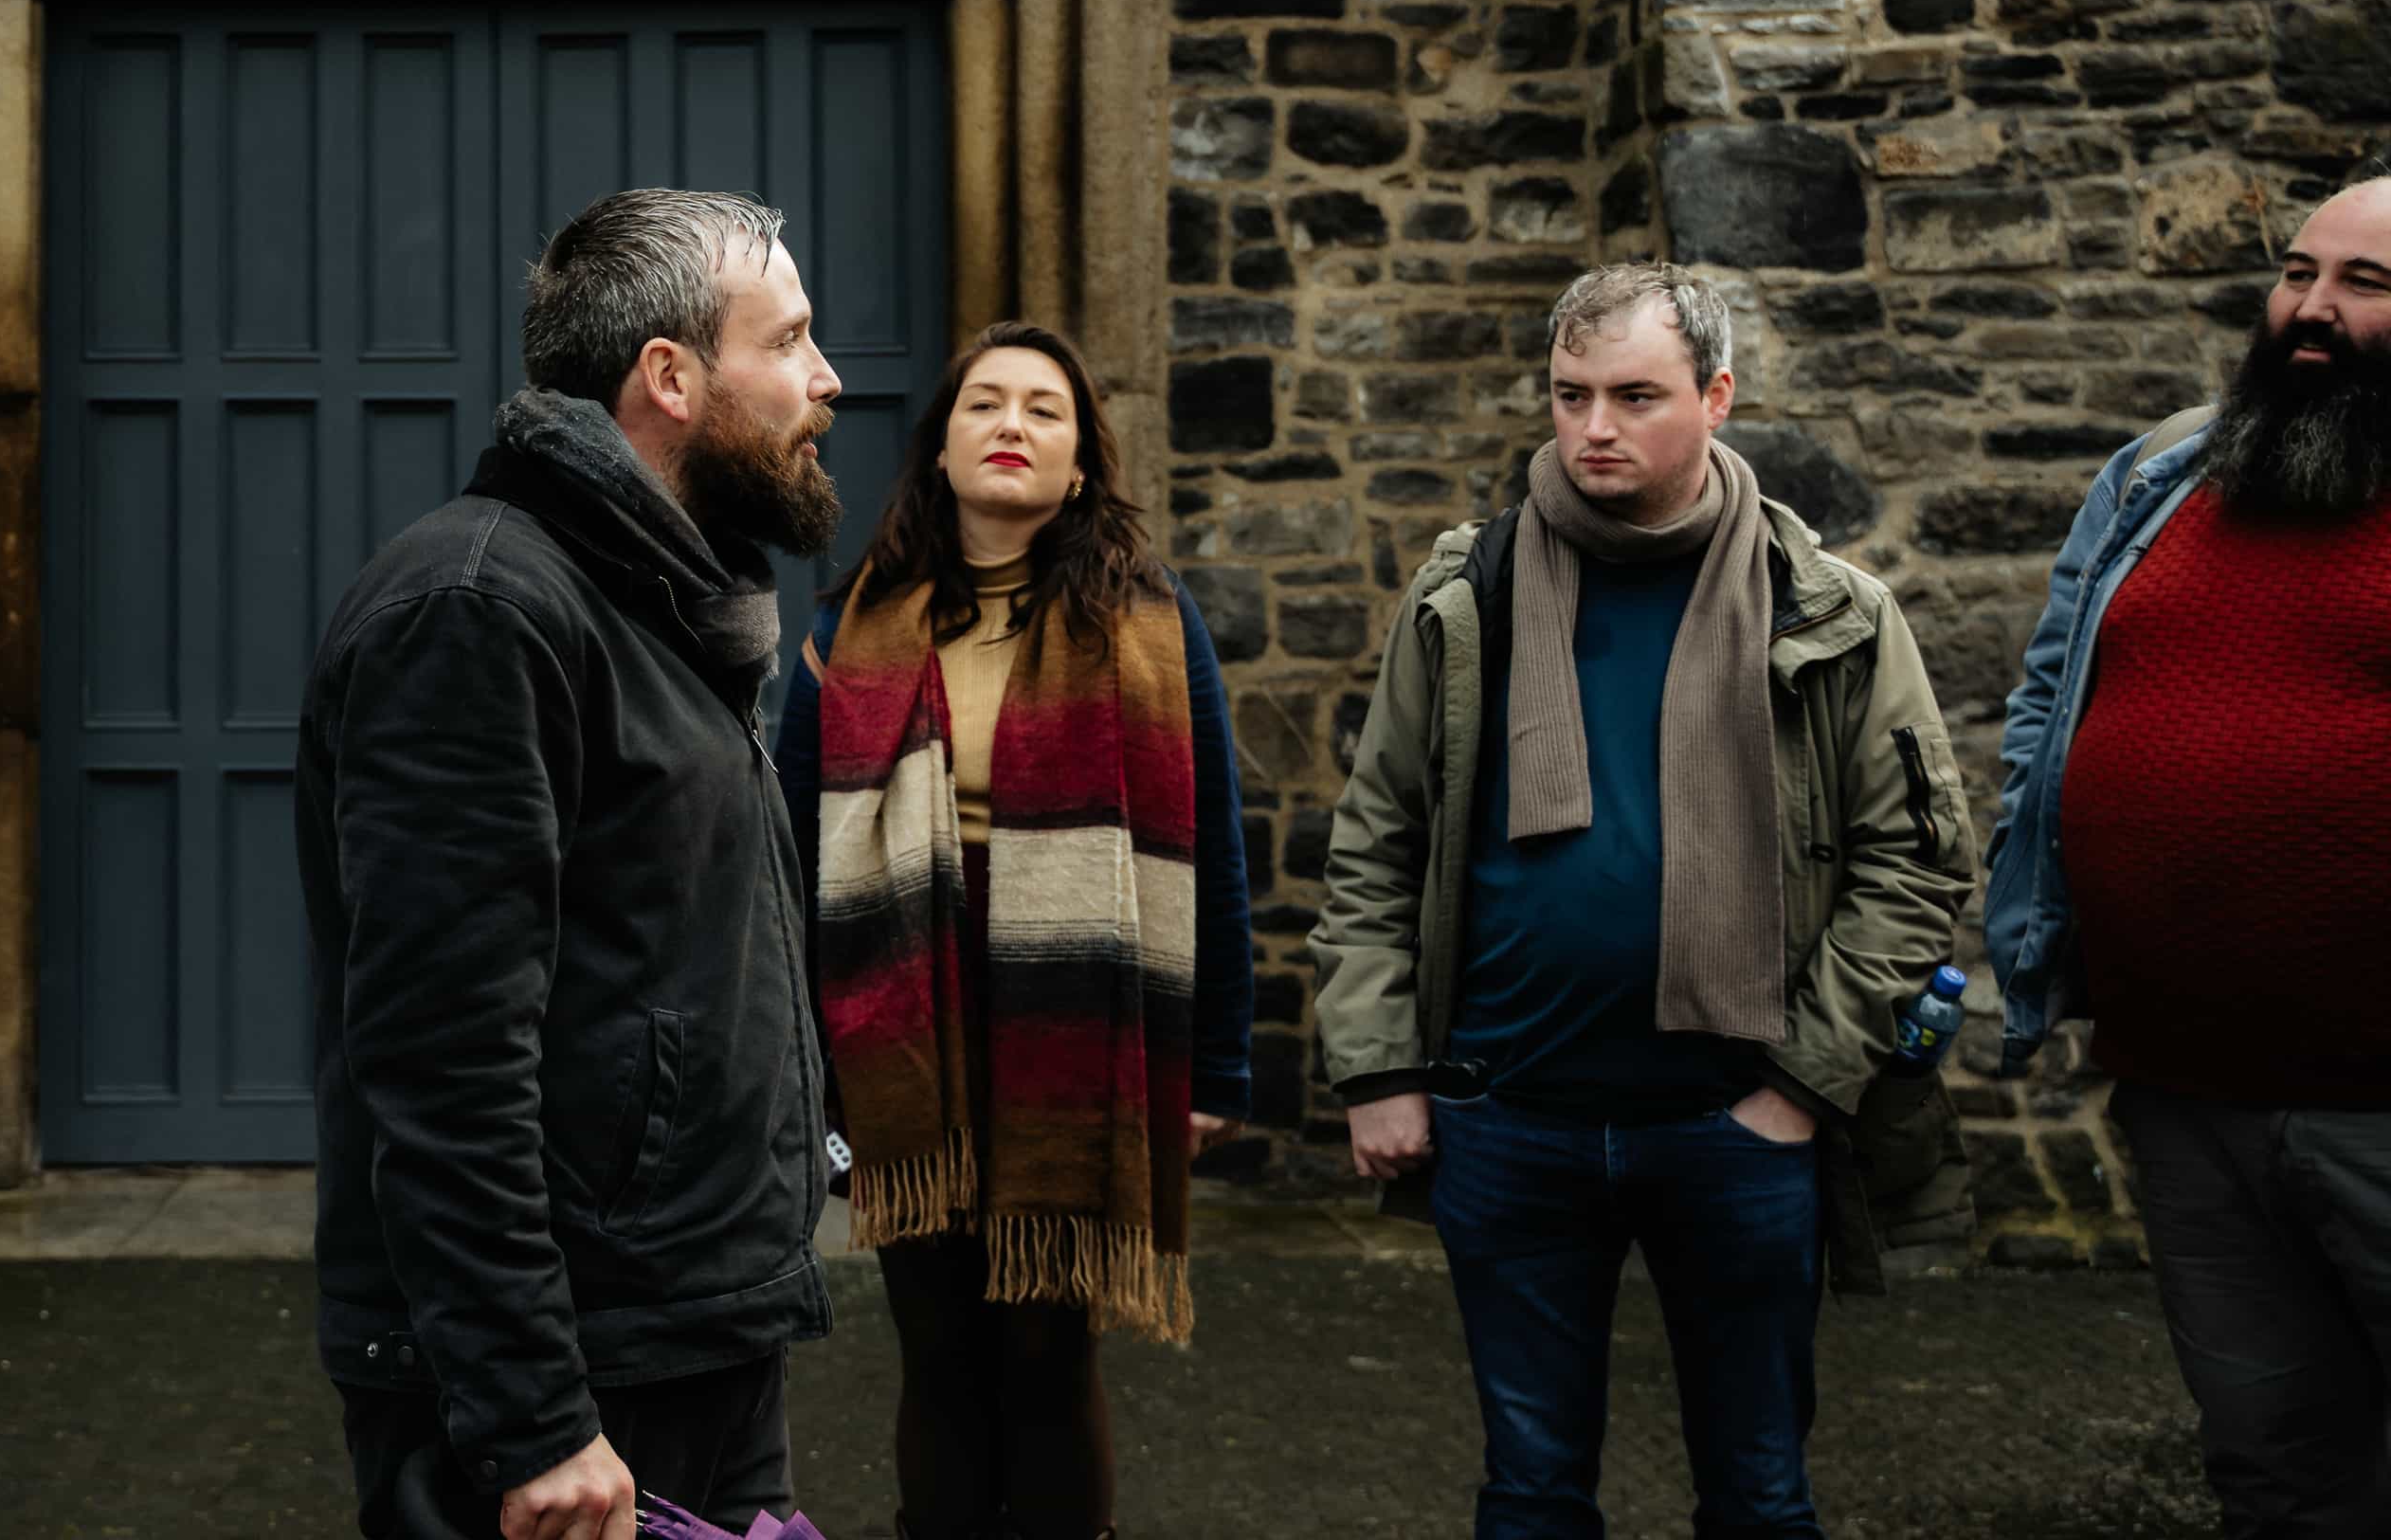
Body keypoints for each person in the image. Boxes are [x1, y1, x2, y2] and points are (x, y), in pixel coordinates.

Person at [1313, 261, 1976, 1540]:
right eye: (1570, 395)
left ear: (1717, 396)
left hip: (1734, 1130)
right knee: (1529, 1491)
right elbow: (1379, 835)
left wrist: (1798, 1091)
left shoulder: (1827, 609)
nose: (1595, 428)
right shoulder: (1472, 593)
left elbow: (1913, 865)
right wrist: (1379, 1064)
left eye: (1635, 395)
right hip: (1509, 1119)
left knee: (1762, 1492)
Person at [299, 187, 843, 1540]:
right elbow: (441, 1059)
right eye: (786, 342)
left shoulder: (661, 602)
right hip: (570, 1380)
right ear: (669, 376)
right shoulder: (483, 611)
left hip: (693, 1326)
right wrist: (536, 1415)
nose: (826, 381)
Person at [771, 320, 1253, 1540]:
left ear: (1081, 463)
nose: (1011, 426)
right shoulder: (850, 630)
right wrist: (801, 1056)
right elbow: (781, 854)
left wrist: (1218, 1064)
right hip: (904, 1025)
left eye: (1045, 410)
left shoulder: (1151, 625)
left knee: (1047, 1354)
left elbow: (1218, 850)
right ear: (940, 448)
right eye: (985, 404)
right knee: (939, 1354)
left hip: (1076, 1029)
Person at [1983, 159, 2391, 1540]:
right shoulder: (2164, 470)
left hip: (2379, 1102)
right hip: (2187, 1092)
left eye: (2363, 284)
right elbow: (2050, 695)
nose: (2310, 310)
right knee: (2273, 1471)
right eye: (2297, 272)